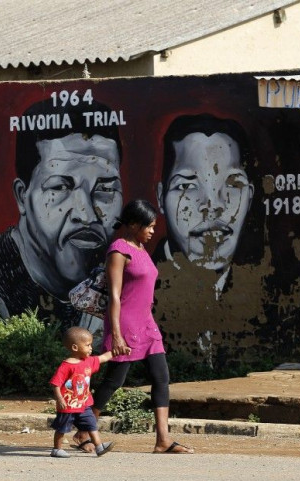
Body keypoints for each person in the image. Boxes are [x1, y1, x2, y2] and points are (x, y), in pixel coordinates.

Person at [0, 97, 123, 332]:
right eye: (60, 187)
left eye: (105, 189)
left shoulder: (120, 275)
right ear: (22, 196)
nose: (86, 215)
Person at [74, 199, 194, 454]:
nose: (152, 231)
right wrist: (116, 335)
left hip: (147, 324)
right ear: (132, 224)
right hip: (125, 324)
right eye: (148, 226)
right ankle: (83, 430)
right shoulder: (118, 251)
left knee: (161, 377)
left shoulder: (139, 247)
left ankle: (162, 440)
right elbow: (115, 296)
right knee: (114, 380)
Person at [154, 114, 267, 369]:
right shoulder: (141, 287)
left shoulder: (272, 293)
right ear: (161, 198)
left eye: (232, 183)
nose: (213, 205)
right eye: (187, 186)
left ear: (249, 196)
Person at [49, 326, 117, 458]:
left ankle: (99, 446)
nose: (91, 348)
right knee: (62, 428)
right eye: (87, 345)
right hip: (68, 406)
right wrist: (60, 399)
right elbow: (55, 384)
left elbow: (103, 358)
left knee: (92, 424)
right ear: (75, 347)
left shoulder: (88, 361)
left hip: (84, 404)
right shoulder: (66, 366)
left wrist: (117, 352)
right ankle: (56, 449)